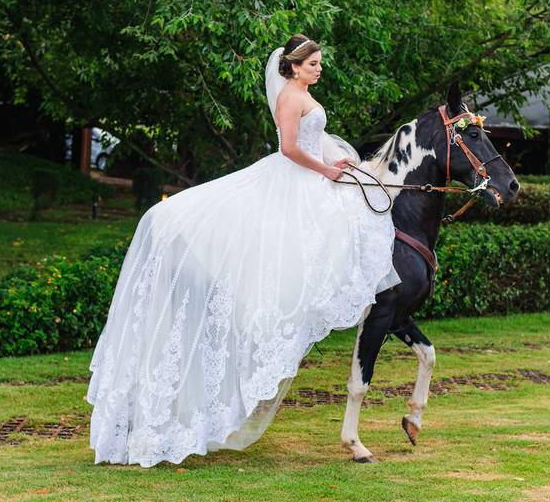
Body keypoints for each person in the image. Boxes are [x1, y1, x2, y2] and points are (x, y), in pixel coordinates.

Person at [86, 34, 402, 467]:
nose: (319, 68)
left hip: (312, 175)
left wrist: (336, 160)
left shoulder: (304, 94)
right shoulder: (291, 96)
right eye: (313, 63)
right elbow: (290, 148)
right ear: (293, 67)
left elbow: (314, 139)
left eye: (319, 63)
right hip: (293, 180)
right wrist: (326, 169)